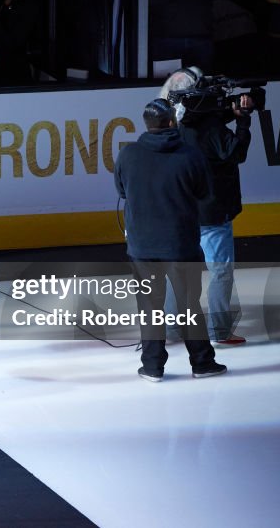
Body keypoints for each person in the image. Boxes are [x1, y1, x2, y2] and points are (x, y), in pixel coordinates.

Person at [114, 98, 226, 382]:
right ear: (171, 122)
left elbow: (122, 190)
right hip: (180, 244)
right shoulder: (191, 155)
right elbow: (204, 194)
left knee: (149, 307)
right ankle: (202, 363)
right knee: (190, 305)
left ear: (147, 124)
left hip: (142, 245)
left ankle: (152, 366)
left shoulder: (128, 155)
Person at [160, 68, 254, 345]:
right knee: (220, 271)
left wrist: (227, 114)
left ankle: (170, 328)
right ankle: (220, 332)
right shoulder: (213, 132)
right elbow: (237, 152)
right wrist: (244, 121)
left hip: (181, 212)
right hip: (212, 214)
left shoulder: (175, 126)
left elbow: (204, 124)